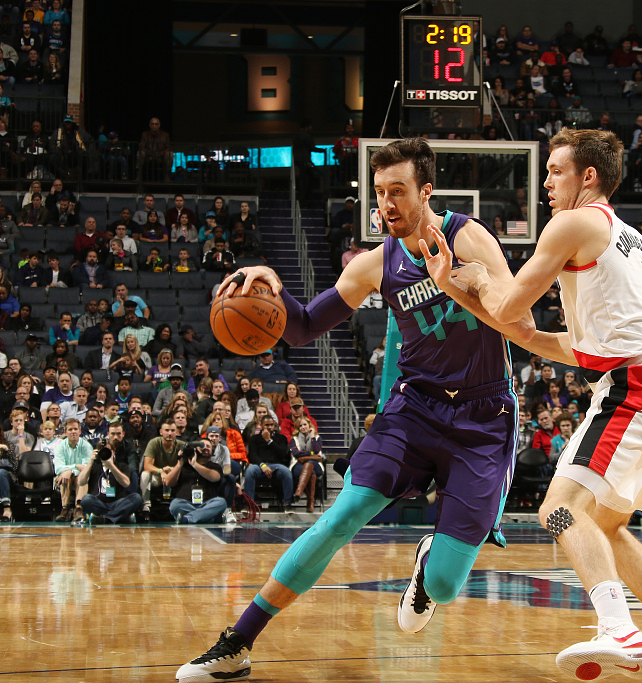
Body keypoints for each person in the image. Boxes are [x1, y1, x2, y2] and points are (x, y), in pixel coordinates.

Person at [178, 137, 543, 683]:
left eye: (399, 191)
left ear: (427, 191)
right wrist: (270, 285)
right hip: (414, 411)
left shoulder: (470, 237)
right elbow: (300, 328)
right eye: (379, 193)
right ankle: (237, 644)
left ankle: (428, 569)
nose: (387, 204)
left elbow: (520, 322)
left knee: (444, 585)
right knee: (340, 517)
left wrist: (471, 286)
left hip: (484, 421)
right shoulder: (377, 263)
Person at [425, 128, 642, 683]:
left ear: (589, 177)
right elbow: (545, 339)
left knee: (559, 510)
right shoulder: (624, 237)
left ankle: (617, 627)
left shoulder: (574, 222)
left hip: (634, 385)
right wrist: (455, 287)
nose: (546, 182)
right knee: (607, 529)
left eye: (556, 170)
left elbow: (512, 304)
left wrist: (476, 279)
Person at [78, 422, 142, 524]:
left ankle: (103, 518)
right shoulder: (94, 466)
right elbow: (80, 482)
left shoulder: (121, 465)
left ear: (114, 451)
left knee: (136, 498)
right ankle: (119, 517)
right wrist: (90, 462)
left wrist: (111, 466)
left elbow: (126, 483)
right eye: (103, 451)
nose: (106, 453)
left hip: (117, 502)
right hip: (99, 502)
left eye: (108, 451)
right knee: (86, 499)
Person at [167, 439, 228, 524]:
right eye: (202, 445)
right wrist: (179, 464)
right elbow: (168, 482)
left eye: (208, 446)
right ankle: (210, 519)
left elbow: (214, 477)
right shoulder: (184, 466)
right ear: (196, 449)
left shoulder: (215, 466)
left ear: (212, 451)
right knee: (175, 504)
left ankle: (188, 519)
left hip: (207, 503)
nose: (206, 448)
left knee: (221, 502)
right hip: (186, 503)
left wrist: (195, 465)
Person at [140, 420, 186, 519]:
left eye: (172, 430)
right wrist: (161, 471)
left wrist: (172, 470)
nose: (170, 433)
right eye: (167, 430)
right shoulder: (154, 442)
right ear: (161, 432)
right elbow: (147, 466)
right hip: (158, 476)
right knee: (145, 474)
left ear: (176, 432)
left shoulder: (182, 445)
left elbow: (186, 467)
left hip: (175, 476)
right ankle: (145, 507)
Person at [53, 418, 93, 522]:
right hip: (64, 477)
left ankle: (79, 508)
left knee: (82, 477)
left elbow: (86, 468)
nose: (73, 432)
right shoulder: (60, 446)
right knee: (64, 476)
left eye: (75, 429)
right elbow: (58, 469)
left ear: (80, 431)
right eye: (70, 430)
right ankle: (65, 509)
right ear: (65, 432)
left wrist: (71, 470)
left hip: (81, 477)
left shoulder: (86, 446)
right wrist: (75, 467)